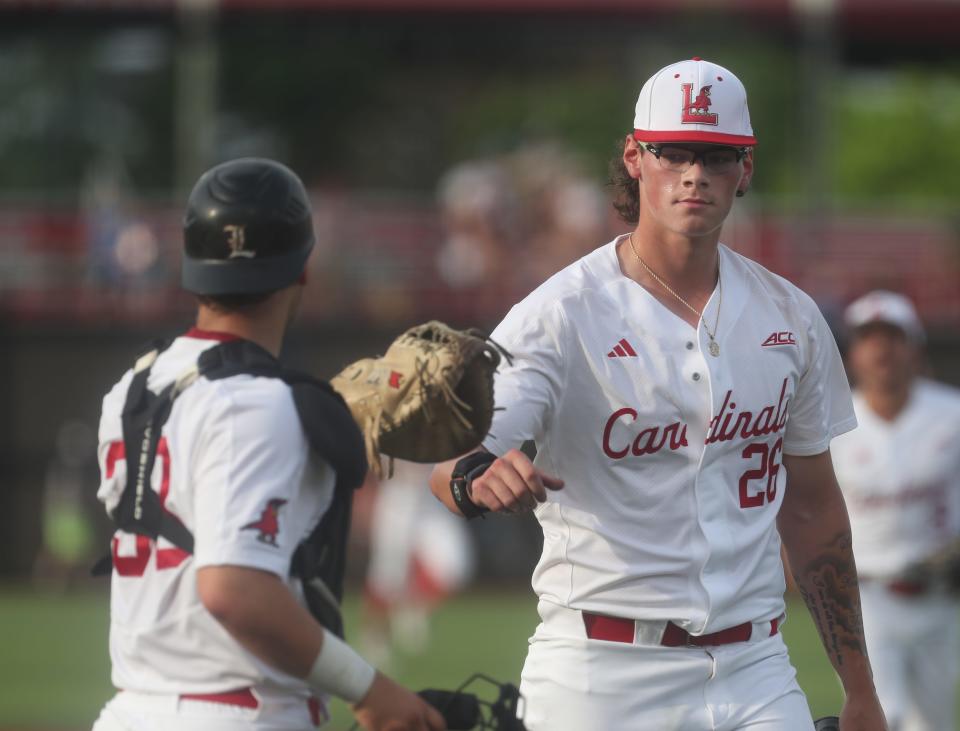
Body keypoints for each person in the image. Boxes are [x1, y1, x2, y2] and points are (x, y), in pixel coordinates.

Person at [430, 58, 888, 730]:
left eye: (717, 155)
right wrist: (476, 479)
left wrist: (861, 690)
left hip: (754, 664)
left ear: (746, 168)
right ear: (635, 158)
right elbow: (451, 463)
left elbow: (815, 511)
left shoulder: (790, 317)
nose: (694, 172)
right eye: (672, 151)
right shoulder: (561, 314)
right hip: (599, 668)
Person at [91, 158, 445, 731]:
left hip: (132, 708)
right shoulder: (260, 404)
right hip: (235, 712)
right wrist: (370, 689)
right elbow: (234, 590)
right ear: (303, 267)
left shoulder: (135, 385)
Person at [831, 290, 960, 731]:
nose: (881, 349)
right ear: (852, 354)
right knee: (885, 716)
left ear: (916, 347)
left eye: (893, 336)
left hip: (942, 596)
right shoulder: (832, 424)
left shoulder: (952, 414)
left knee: (934, 723)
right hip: (866, 599)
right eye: (869, 338)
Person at [361, 460, 475, 664]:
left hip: (431, 498)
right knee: (388, 577)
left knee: (455, 566)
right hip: (398, 495)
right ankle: (375, 638)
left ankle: (412, 606)